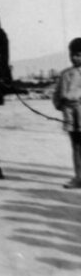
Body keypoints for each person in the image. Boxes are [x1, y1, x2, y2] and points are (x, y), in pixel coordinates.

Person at [53, 38, 81, 189]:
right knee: (76, 146)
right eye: (73, 54)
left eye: (78, 54)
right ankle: (79, 177)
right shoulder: (65, 74)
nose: (75, 58)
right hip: (70, 114)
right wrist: (60, 105)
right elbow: (57, 94)